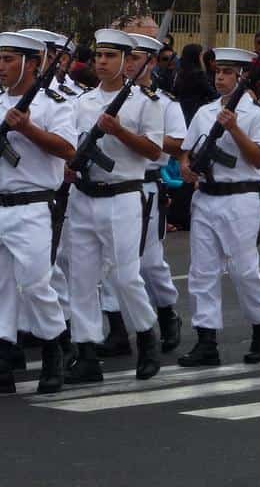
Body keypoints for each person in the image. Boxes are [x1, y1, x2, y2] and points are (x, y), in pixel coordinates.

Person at [0, 31, 75, 395]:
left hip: (33, 206)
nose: (1, 66)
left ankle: (54, 351)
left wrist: (27, 128)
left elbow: (67, 148)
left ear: (30, 64)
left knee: (36, 284)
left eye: (9, 59)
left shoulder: (54, 104)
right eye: (0, 58)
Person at [64, 29, 163, 384]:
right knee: (82, 278)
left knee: (125, 276)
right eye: (99, 55)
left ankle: (147, 336)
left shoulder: (144, 102)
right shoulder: (82, 102)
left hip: (123, 195)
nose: (102, 62)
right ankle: (86, 350)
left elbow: (155, 153)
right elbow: (71, 146)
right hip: (84, 197)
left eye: (110, 56)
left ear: (126, 62)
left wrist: (119, 131)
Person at [178, 47, 260, 367]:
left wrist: (234, 127)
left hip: (241, 197)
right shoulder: (206, 112)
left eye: (227, 73)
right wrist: (185, 166)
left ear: (241, 76)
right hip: (206, 195)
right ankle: (206, 340)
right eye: (217, 72)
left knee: (243, 269)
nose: (219, 77)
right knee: (202, 271)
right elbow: (187, 150)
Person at [98, 34, 186, 358]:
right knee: (111, 263)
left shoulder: (162, 102)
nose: (129, 63)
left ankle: (166, 312)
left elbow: (178, 143)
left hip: (147, 185)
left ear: (148, 62)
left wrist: (142, 135)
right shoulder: (112, 96)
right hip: (112, 185)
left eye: (134, 58)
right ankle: (118, 329)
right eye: (127, 57)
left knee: (149, 263)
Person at [173, 43, 215, 125]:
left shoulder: (179, 72)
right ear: (196, 57)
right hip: (196, 113)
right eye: (201, 56)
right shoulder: (198, 74)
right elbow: (211, 94)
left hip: (181, 112)